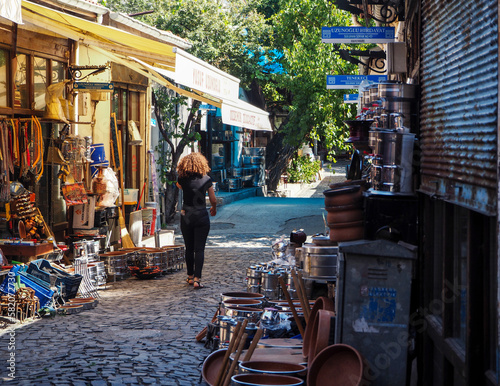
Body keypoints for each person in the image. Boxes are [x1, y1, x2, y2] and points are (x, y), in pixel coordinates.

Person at [176, 152, 217, 289]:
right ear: (202, 164)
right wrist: (214, 207)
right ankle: (197, 280)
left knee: (189, 247)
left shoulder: (182, 179)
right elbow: (213, 199)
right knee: (199, 249)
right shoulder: (206, 179)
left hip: (186, 215)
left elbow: (178, 185)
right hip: (201, 215)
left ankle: (189, 276)